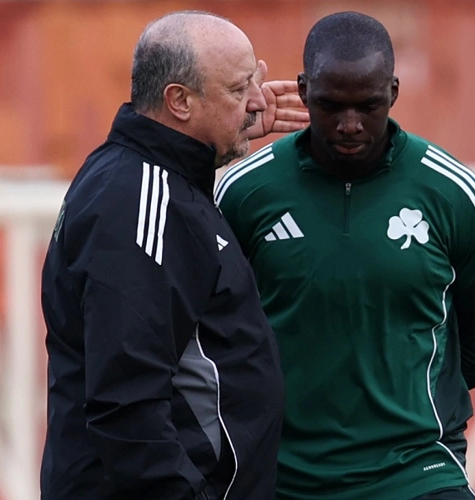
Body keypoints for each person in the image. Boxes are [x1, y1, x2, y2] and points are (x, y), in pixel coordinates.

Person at [216, 11, 475, 500]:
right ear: (304, 90)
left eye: (368, 106)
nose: (350, 125)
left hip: (418, 472)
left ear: (393, 92)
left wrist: (398, 397)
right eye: (331, 105)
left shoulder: (453, 192)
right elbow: (205, 333)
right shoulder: (243, 191)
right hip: (282, 476)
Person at [40, 11, 308, 500]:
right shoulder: (141, 201)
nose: (257, 100)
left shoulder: (158, 178)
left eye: (255, 80)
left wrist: (231, 128)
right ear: (180, 101)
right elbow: (126, 405)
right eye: (238, 89)